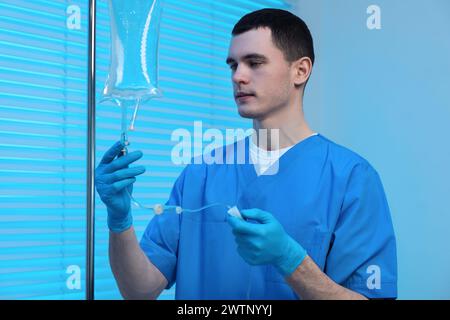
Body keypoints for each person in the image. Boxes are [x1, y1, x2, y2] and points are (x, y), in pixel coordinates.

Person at [95, 8, 397, 300]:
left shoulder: (351, 178)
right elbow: (139, 290)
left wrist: (291, 260)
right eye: (233, 65)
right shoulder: (202, 173)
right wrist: (119, 220)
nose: (238, 76)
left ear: (300, 70)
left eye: (254, 63)